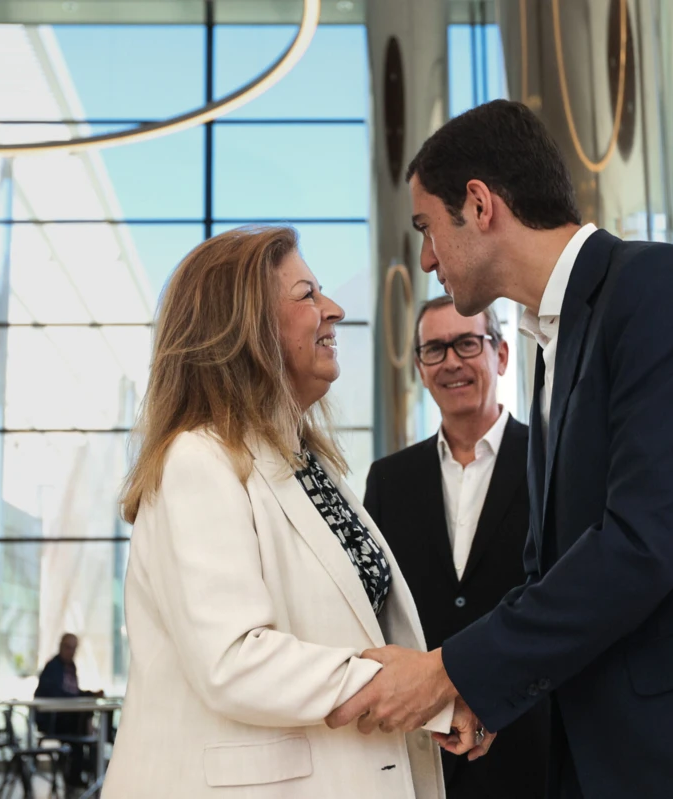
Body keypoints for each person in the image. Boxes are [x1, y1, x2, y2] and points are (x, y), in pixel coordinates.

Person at [327, 100, 673, 798]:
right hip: (622, 754)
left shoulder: (662, 290)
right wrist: (486, 691)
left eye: (426, 228)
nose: (427, 258)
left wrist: (448, 672)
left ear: (479, 204)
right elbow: (555, 567)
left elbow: (643, 541)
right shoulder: (554, 345)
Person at [102, 226, 487, 799]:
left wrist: (433, 693)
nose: (333, 310)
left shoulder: (306, 466)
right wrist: (421, 692)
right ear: (247, 327)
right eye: (307, 294)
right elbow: (234, 659)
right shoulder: (197, 460)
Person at [364, 296, 547, 799]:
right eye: (435, 349)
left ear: (501, 355)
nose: (451, 362)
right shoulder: (389, 480)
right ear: (420, 368)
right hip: (423, 748)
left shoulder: (550, 461)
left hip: (532, 743)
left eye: (467, 344)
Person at [35, 633, 103, 785]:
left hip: (69, 719)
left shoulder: (71, 667)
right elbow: (59, 695)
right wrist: (85, 697)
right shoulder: (53, 667)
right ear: (60, 646)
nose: (70, 652)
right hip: (53, 720)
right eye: (68, 647)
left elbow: (74, 693)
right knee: (82, 731)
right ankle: (81, 774)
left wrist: (90, 694)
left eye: (74, 648)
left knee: (89, 732)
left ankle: (88, 772)